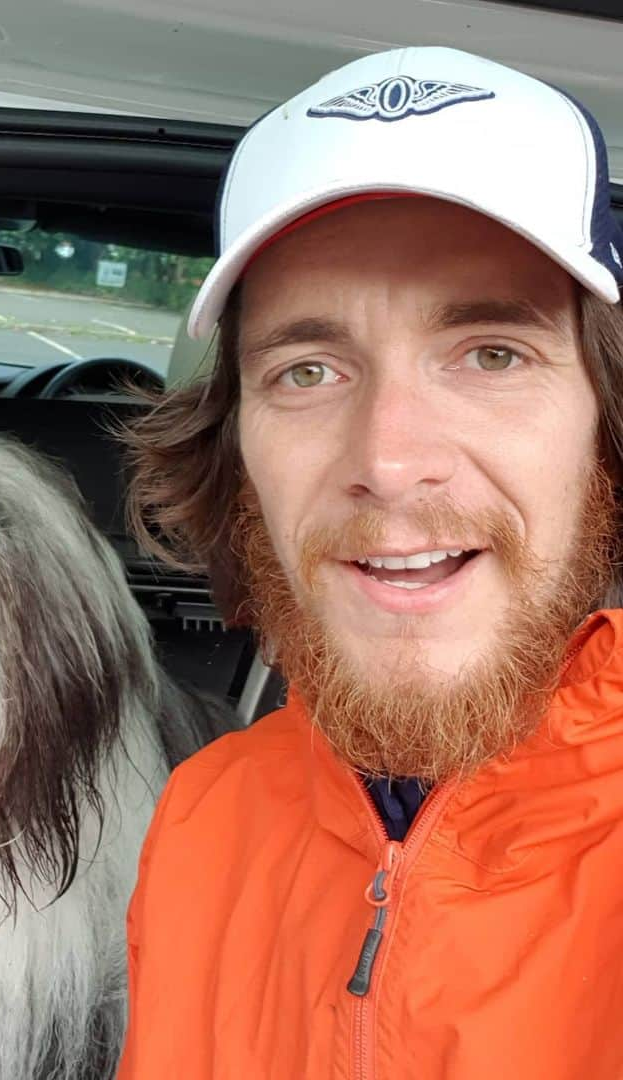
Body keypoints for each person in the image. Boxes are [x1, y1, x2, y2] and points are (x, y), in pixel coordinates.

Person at [118, 45, 623, 1079]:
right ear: (238, 444)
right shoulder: (204, 815)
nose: (389, 462)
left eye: (492, 354)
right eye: (308, 370)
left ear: (606, 425)